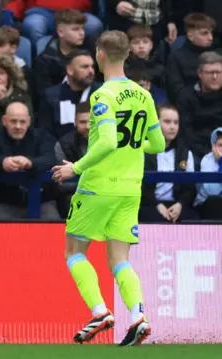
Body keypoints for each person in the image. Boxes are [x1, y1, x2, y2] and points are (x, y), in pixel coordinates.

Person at [51, 30, 166, 346]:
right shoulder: (144, 95)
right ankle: (139, 315)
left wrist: (73, 167)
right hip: (130, 187)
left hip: (98, 187)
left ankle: (100, 311)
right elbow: (157, 144)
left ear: (100, 53)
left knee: (74, 252)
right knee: (119, 260)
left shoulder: (101, 95)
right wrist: (133, 143)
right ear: (128, 55)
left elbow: (107, 140)